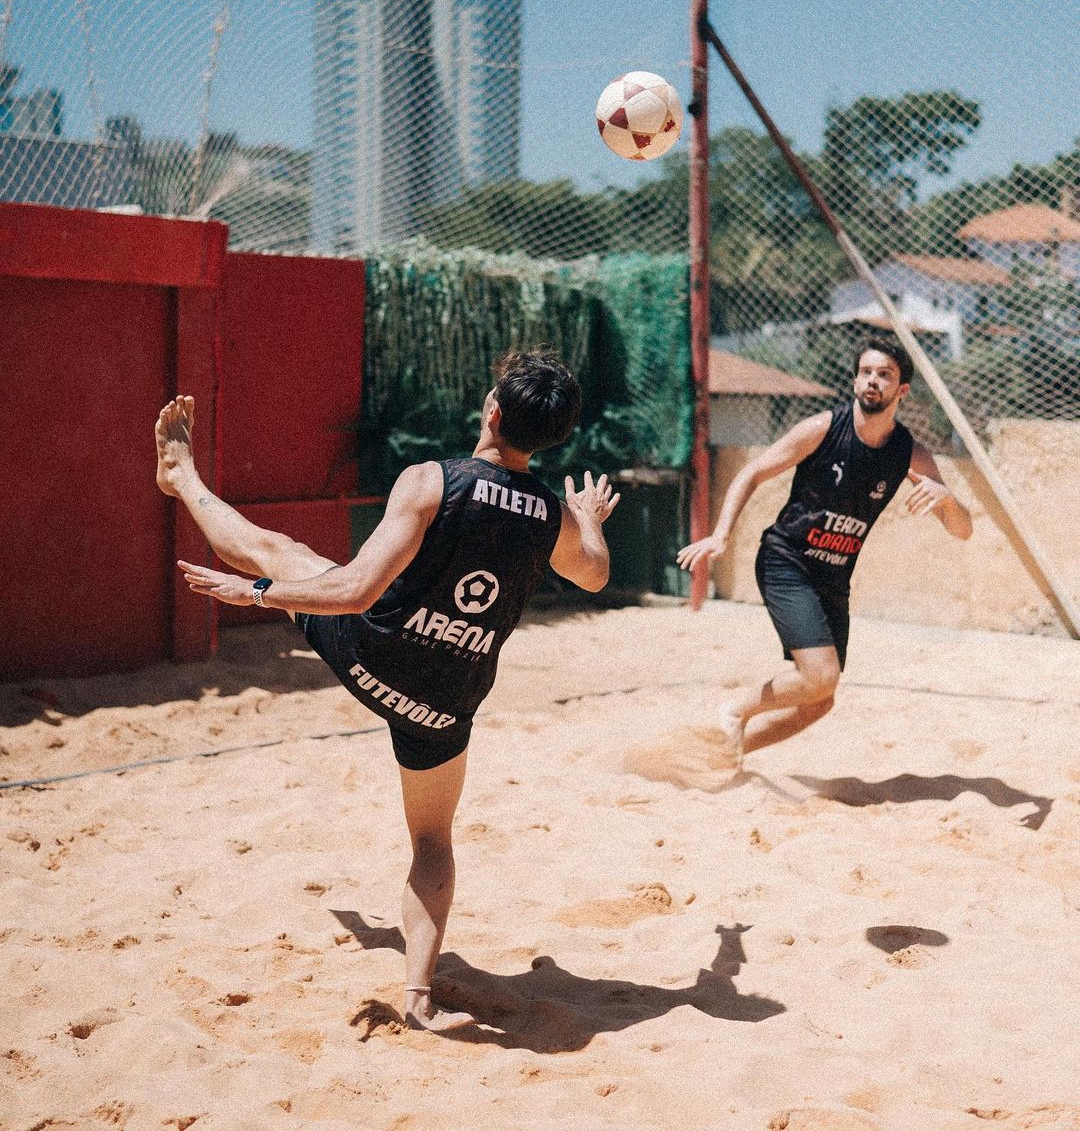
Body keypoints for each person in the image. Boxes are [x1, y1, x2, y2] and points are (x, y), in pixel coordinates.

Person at [154, 349, 619, 1032]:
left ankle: (181, 477)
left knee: (273, 550)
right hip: (443, 702)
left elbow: (352, 591)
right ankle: (418, 994)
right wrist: (591, 519)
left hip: (372, 655)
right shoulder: (553, 517)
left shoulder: (432, 483)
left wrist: (257, 592)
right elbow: (598, 577)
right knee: (432, 840)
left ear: (491, 412)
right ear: (553, 439)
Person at [677, 337, 972, 766]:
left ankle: (729, 750)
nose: (873, 381)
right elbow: (753, 472)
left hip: (833, 579)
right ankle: (735, 710)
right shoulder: (822, 429)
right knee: (820, 676)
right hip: (787, 561)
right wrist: (721, 534)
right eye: (866, 372)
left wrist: (948, 498)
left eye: (884, 375)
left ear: (902, 390)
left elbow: (961, 532)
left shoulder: (909, 453)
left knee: (820, 700)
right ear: (855, 379)